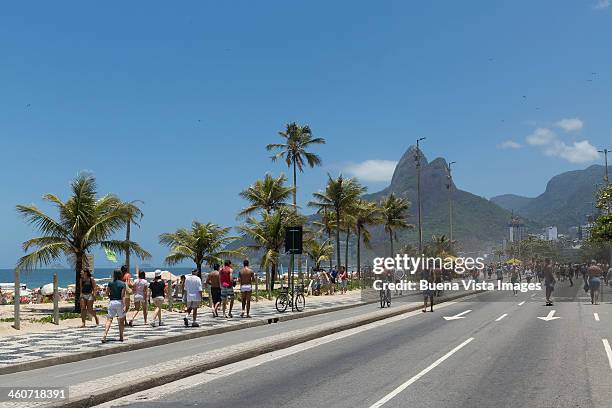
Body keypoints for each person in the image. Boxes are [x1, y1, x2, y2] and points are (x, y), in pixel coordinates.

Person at [102, 269, 126, 343]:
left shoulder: (110, 283)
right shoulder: (123, 284)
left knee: (109, 320)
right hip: (119, 302)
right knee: (121, 320)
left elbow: (106, 293)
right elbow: (123, 296)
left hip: (112, 302)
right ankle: (121, 337)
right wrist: (124, 305)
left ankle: (104, 335)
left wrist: (110, 297)